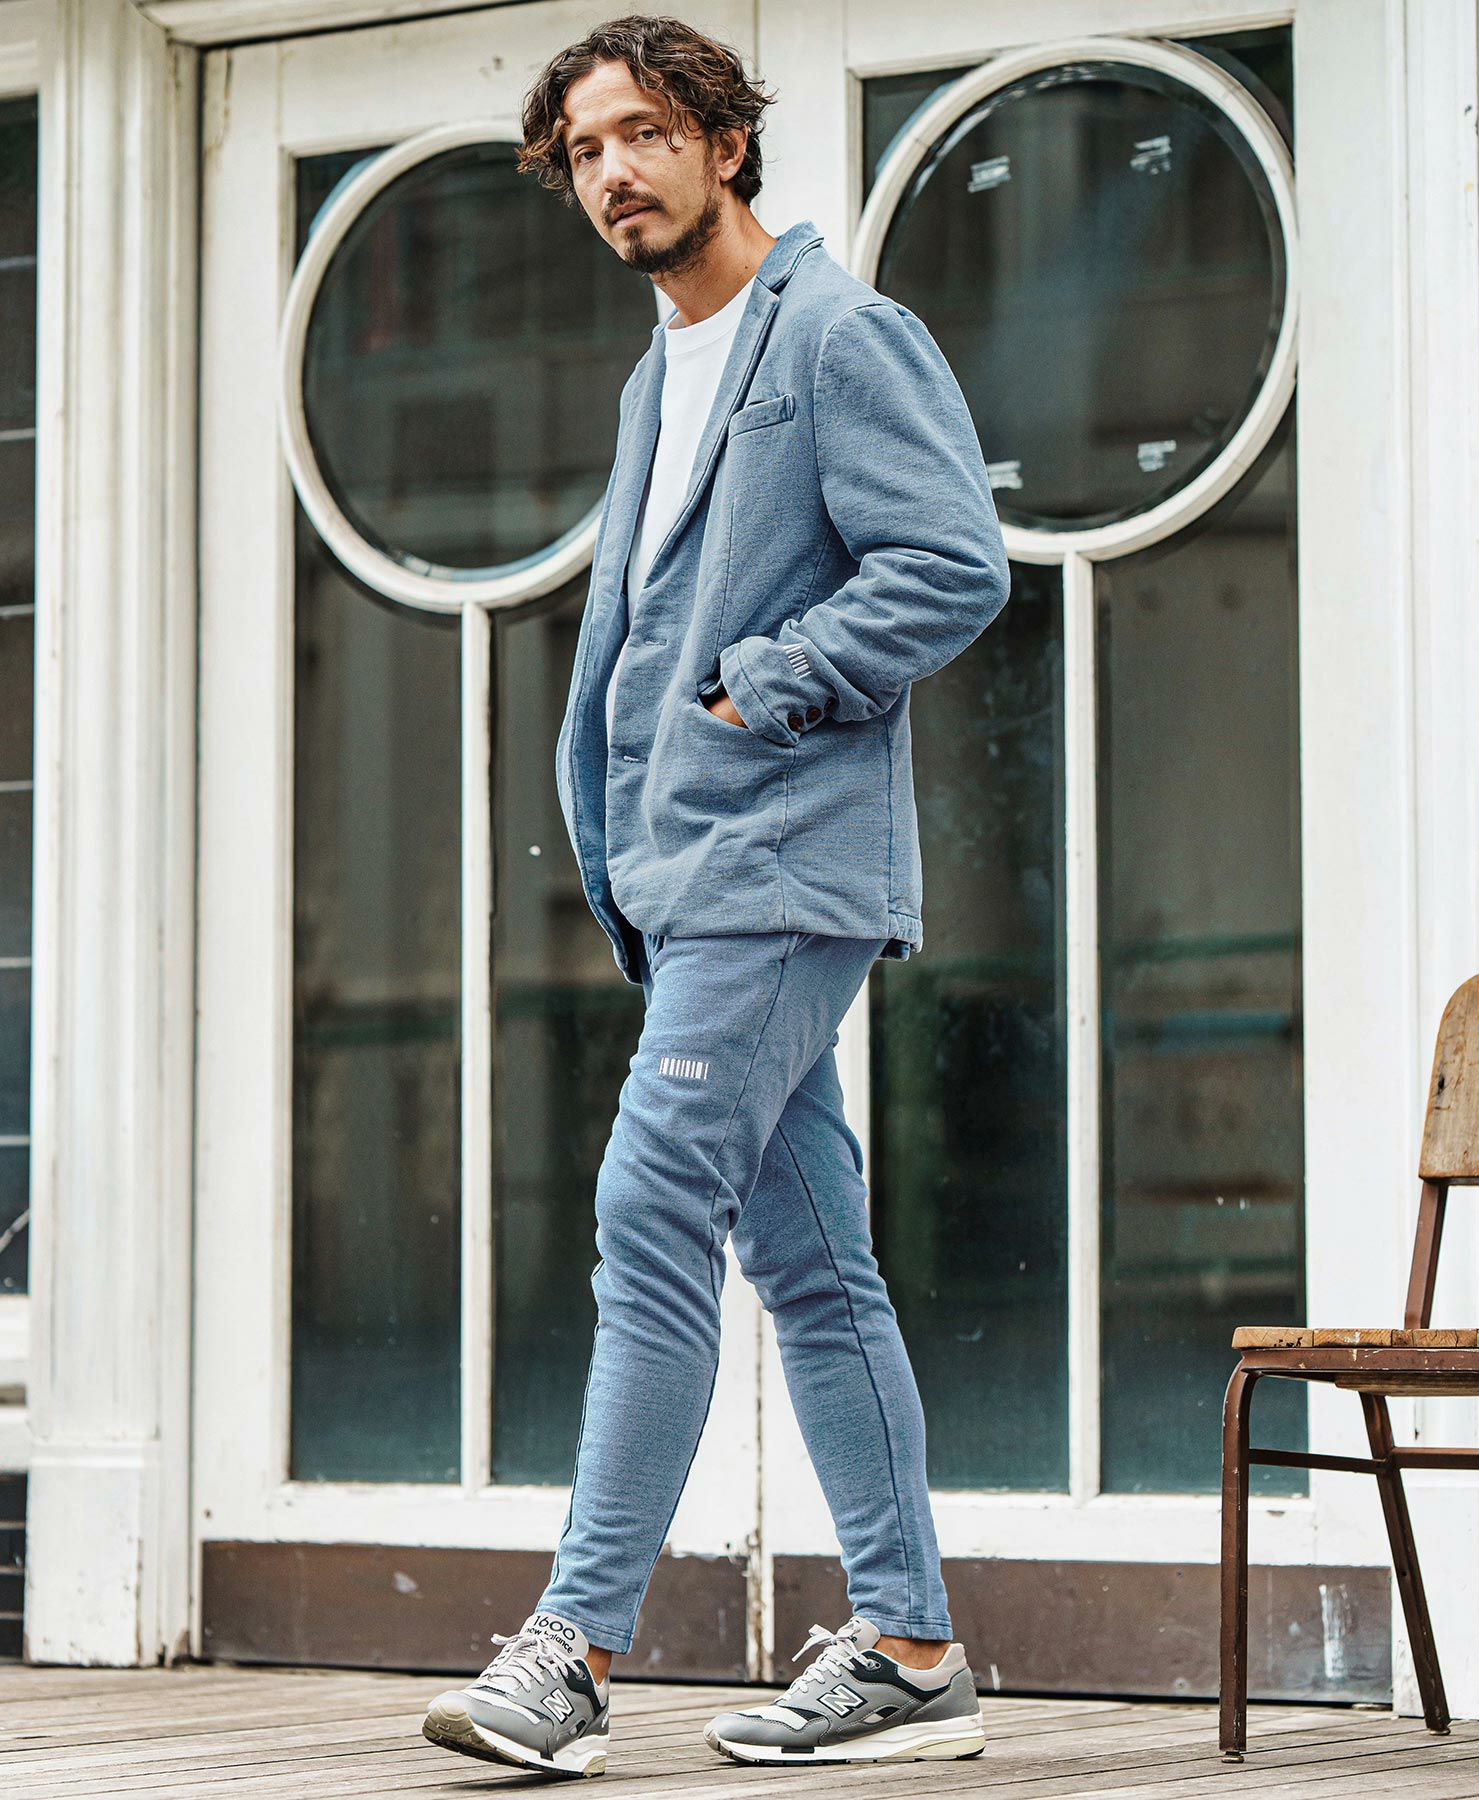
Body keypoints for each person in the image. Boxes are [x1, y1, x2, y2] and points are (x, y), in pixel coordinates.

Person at [423, 11, 1010, 1779]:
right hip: (687, 880)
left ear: (724, 141)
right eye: (584, 152)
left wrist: (778, 679)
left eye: (643, 134)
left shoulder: (834, 333)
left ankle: (573, 1653)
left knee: (647, 1207)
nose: (613, 173)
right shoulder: (657, 375)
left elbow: (952, 561)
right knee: (812, 1266)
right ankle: (912, 1650)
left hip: (779, 867)